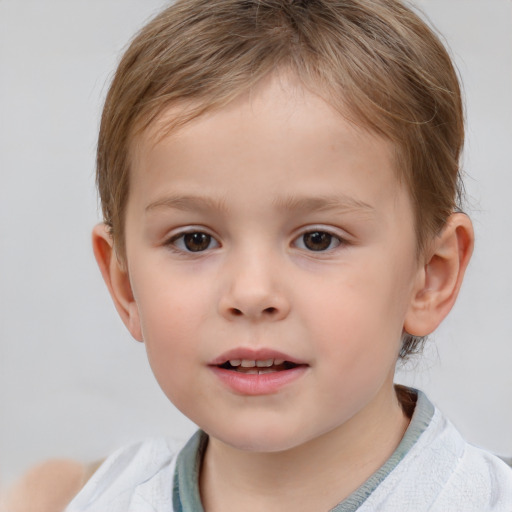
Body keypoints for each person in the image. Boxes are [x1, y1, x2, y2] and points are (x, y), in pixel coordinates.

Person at [61, 0, 512, 510]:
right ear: (125, 286)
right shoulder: (103, 498)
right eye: (195, 240)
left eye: (318, 239)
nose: (252, 294)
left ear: (430, 276)